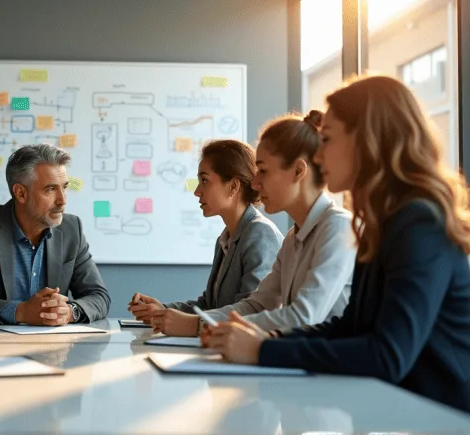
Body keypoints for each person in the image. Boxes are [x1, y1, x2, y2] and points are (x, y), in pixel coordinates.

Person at [202, 75, 470, 413]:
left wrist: (262, 351)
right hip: (409, 411)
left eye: (326, 139)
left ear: (367, 141)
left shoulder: (419, 222)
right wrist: (268, 341)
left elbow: (387, 355)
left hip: (444, 418)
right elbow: (350, 327)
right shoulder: (383, 222)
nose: (318, 154)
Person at [170, 111, 356, 334]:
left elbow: (303, 317)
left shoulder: (338, 228)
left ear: (298, 171)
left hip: (326, 367)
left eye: (263, 171)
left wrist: (200, 325)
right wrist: (201, 323)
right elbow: (256, 305)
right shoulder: (292, 239)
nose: (255, 184)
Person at [0, 144, 111, 325]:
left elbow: (98, 296)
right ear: (20, 193)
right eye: (50, 189)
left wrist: (70, 312)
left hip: (55, 347)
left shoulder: (71, 228)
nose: (62, 200)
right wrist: (20, 312)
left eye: (64, 187)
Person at [126, 139, 283, 336]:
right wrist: (163, 311)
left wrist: (183, 322)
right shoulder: (226, 239)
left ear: (233, 186)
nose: (197, 191)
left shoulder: (260, 233)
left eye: (205, 181)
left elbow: (252, 312)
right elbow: (209, 305)